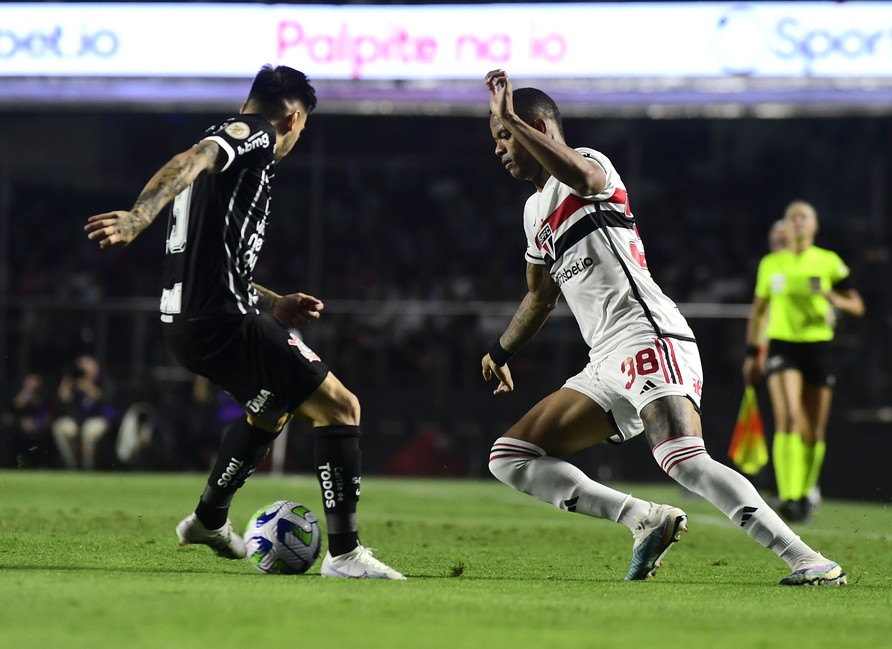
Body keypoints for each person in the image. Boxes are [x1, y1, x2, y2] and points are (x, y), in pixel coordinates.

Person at [480, 69, 846, 586]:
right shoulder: (531, 212)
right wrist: (501, 349)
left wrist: (511, 117)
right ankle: (643, 519)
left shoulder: (591, 166)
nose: (498, 148)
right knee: (511, 457)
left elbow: (582, 179)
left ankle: (809, 560)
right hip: (604, 359)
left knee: (684, 460)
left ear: (535, 124)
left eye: (502, 136)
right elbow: (541, 294)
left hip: (647, 334)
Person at [84, 65, 403, 580]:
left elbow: (210, 256)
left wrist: (273, 300)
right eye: (303, 130)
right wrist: (137, 217)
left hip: (190, 323)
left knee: (270, 410)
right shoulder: (251, 134)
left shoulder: (225, 165)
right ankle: (345, 556)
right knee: (342, 409)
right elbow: (190, 159)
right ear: (295, 118)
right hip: (221, 322)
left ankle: (210, 518)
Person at [743, 201, 865, 523]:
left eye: (804, 217)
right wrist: (752, 352)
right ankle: (789, 494)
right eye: (792, 217)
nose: (798, 222)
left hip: (819, 348)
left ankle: (807, 491)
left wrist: (833, 298)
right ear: (784, 225)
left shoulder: (828, 262)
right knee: (789, 420)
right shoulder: (771, 264)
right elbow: (758, 311)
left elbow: (857, 306)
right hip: (783, 346)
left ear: (815, 226)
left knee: (814, 429)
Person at [51, 355, 113, 470]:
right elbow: (64, 401)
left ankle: (88, 467)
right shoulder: (74, 382)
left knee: (89, 431)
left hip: (98, 419)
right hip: (76, 421)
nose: (85, 369)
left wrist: (87, 386)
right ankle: (71, 466)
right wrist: (65, 389)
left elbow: (104, 399)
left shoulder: (104, 381)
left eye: (88, 365)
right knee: (60, 427)